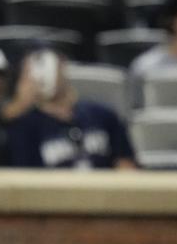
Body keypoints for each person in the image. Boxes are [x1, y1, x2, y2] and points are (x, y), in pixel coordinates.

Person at [7, 48, 137, 170]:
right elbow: (26, 179)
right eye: (35, 68)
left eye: (47, 64)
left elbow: (126, 164)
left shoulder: (103, 115)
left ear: (62, 66)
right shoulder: (24, 128)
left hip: (105, 191)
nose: (43, 74)